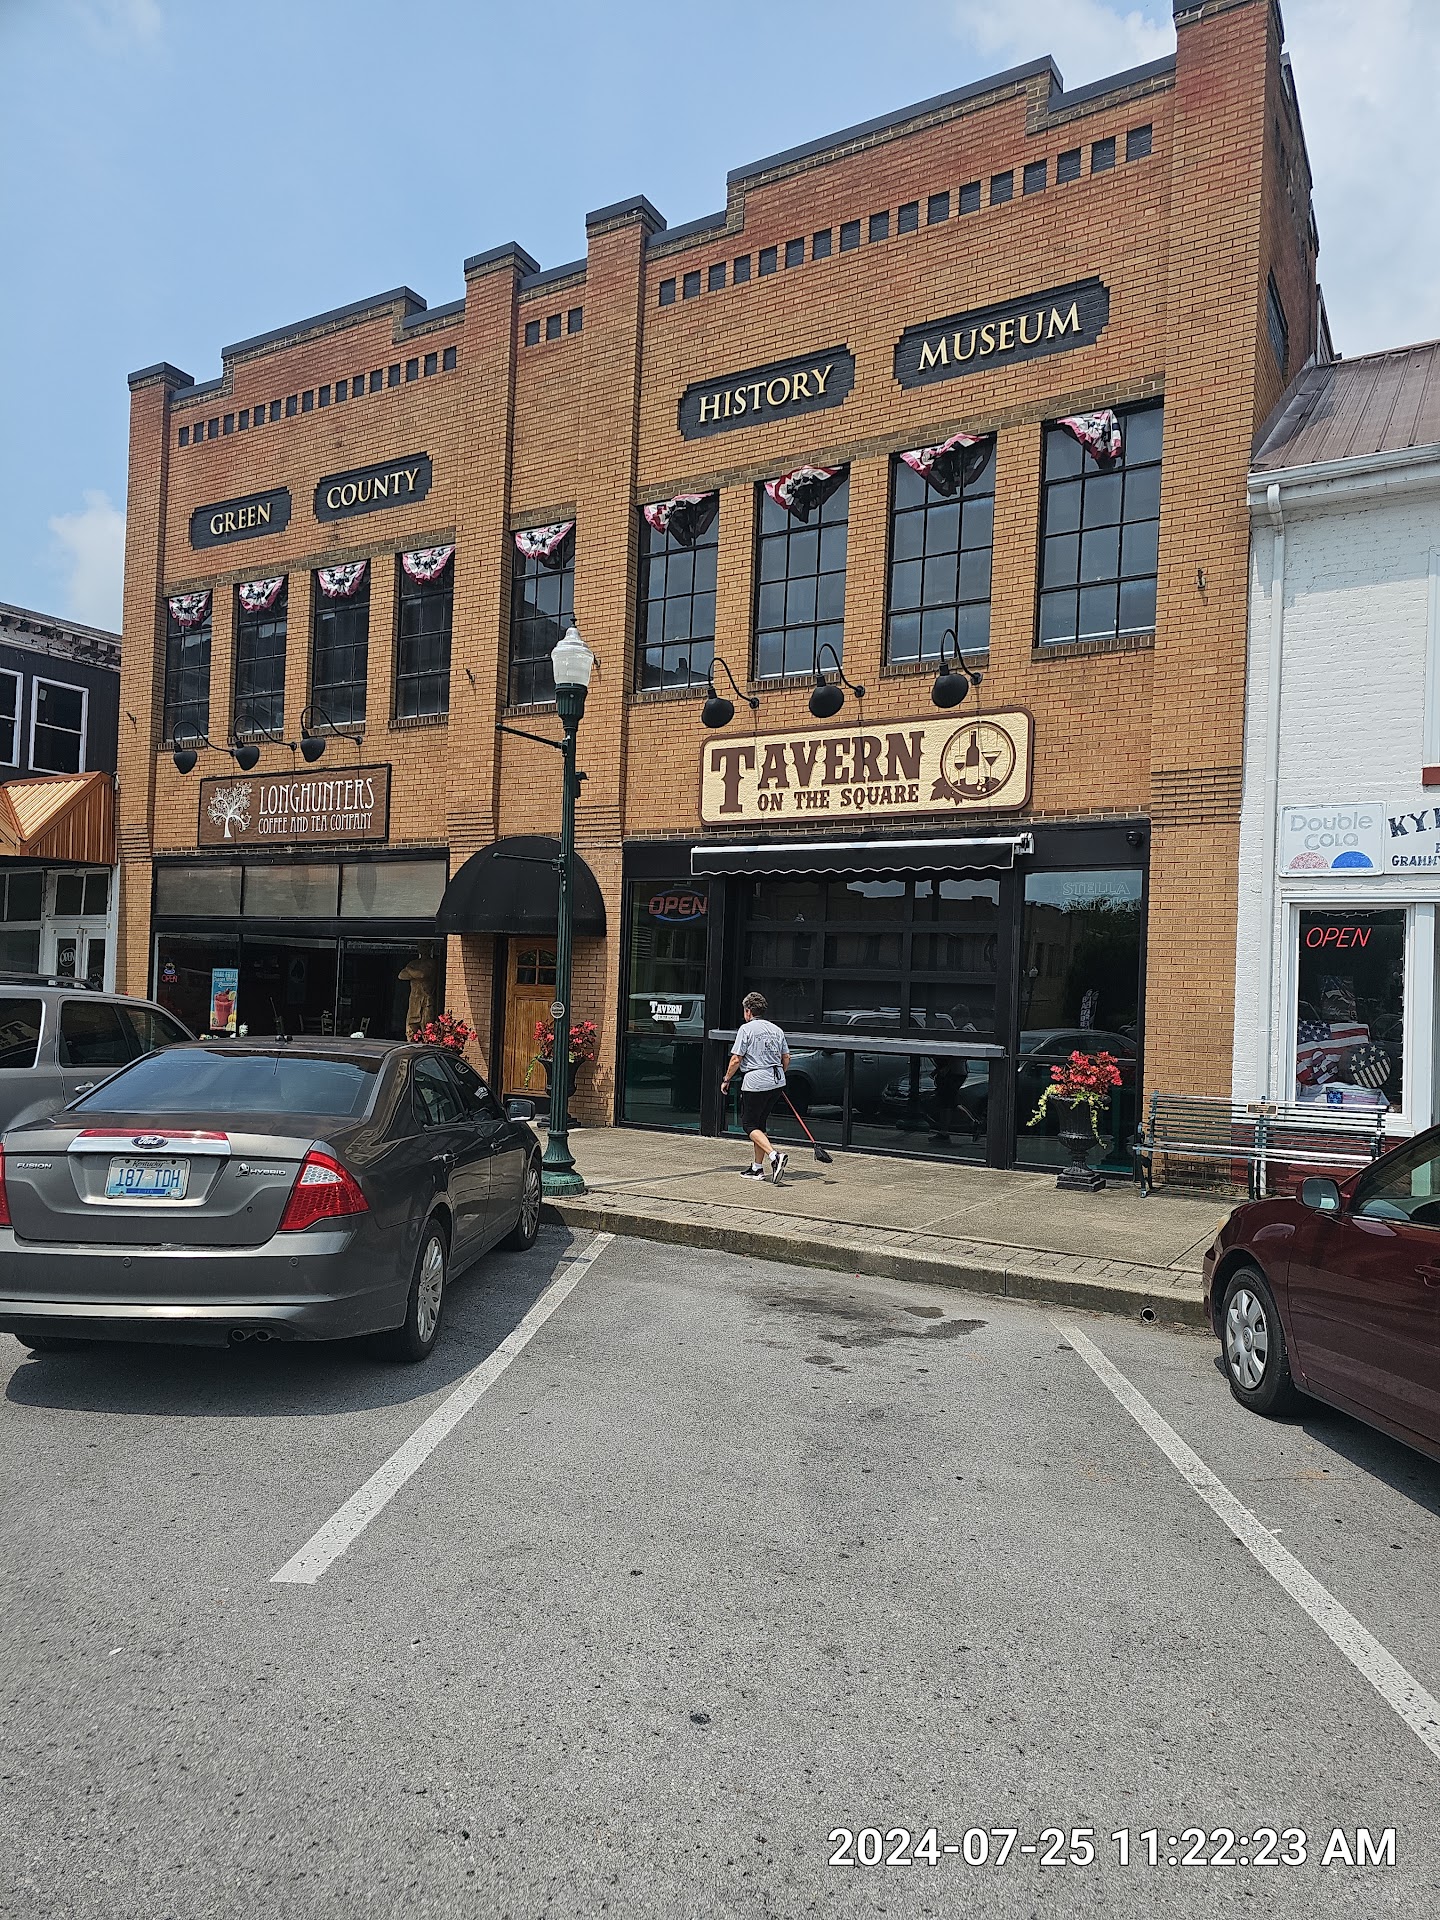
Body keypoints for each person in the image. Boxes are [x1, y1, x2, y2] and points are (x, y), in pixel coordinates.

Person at [721, 991, 790, 1183]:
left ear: (748, 1011)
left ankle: (774, 1156)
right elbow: (786, 1058)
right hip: (777, 1081)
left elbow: (736, 1059)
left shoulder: (746, 1029)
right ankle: (757, 1168)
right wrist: (778, 1076)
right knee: (760, 1125)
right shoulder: (776, 1030)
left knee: (749, 1125)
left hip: (756, 1082)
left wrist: (726, 1079)